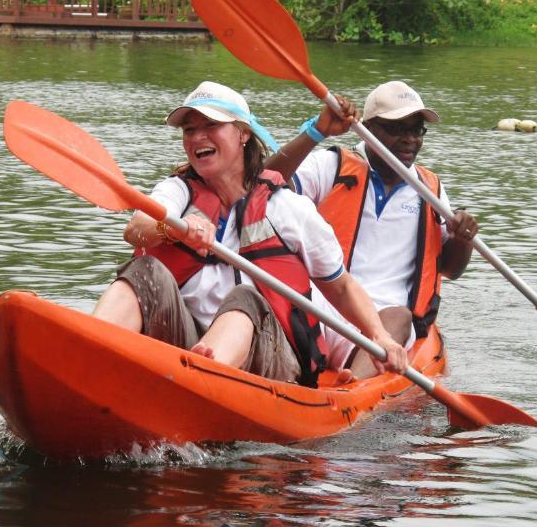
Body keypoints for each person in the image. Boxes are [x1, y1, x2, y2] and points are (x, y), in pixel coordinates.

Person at [91, 81, 407, 386]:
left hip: (270, 359)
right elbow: (136, 231)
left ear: (243, 134)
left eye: (211, 125)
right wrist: (172, 227)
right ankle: (92, 345)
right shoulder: (177, 191)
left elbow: (341, 287)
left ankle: (202, 381)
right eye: (189, 130)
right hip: (186, 344)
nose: (197, 137)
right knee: (145, 270)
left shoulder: (287, 208)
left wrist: (379, 335)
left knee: (246, 298)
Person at [266, 80, 480, 379]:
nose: (409, 140)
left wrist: (463, 238)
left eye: (416, 130)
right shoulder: (331, 166)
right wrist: (316, 131)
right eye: (396, 129)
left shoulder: (430, 190)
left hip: (388, 322)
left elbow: (451, 270)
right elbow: (263, 184)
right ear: (367, 128)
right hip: (323, 307)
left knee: (399, 315)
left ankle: (353, 389)